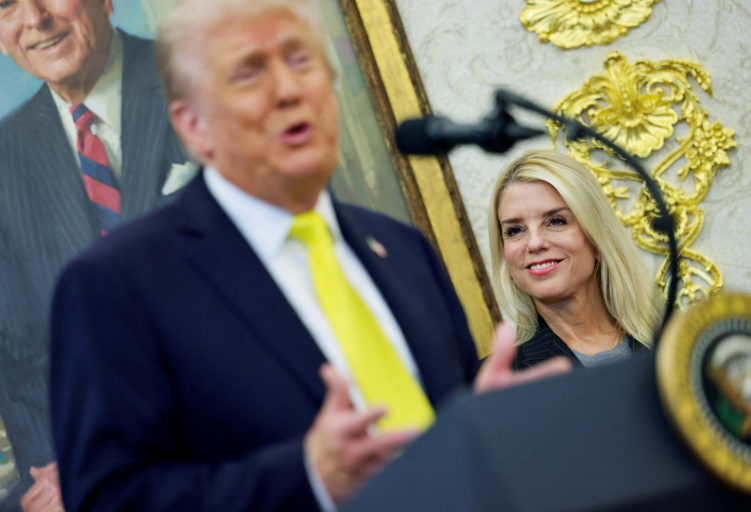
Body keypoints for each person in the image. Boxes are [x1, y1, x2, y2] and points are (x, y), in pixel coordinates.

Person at [48, 1, 570, 511]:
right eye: (249, 73)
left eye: (301, 61)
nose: (289, 89)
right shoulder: (116, 283)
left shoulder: (403, 250)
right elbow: (106, 498)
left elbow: (450, 440)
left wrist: (485, 427)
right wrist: (308, 478)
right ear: (194, 127)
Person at [0, 0, 192, 509]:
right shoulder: (4, 158)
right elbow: (20, 355)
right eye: (5, 4)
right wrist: (63, 466)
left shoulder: (205, 79)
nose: (34, 18)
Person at [488, 150, 661, 369]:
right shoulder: (505, 379)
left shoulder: (676, 341)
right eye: (515, 231)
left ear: (596, 237)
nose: (534, 243)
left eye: (556, 221)